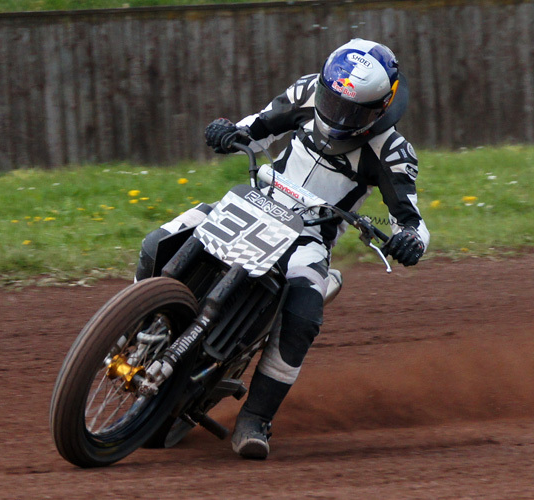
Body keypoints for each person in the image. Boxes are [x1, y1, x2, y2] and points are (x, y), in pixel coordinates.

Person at [136, 38, 429, 460]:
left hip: (310, 237)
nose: (337, 115)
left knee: (305, 312)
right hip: (255, 200)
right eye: (332, 100)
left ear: (383, 107)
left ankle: (256, 418)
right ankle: (137, 326)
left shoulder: (395, 152)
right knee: (159, 241)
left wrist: (409, 241)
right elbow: (257, 127)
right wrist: (229, 132)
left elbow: (413, 221)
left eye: (354, 111)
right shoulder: (308, 91)